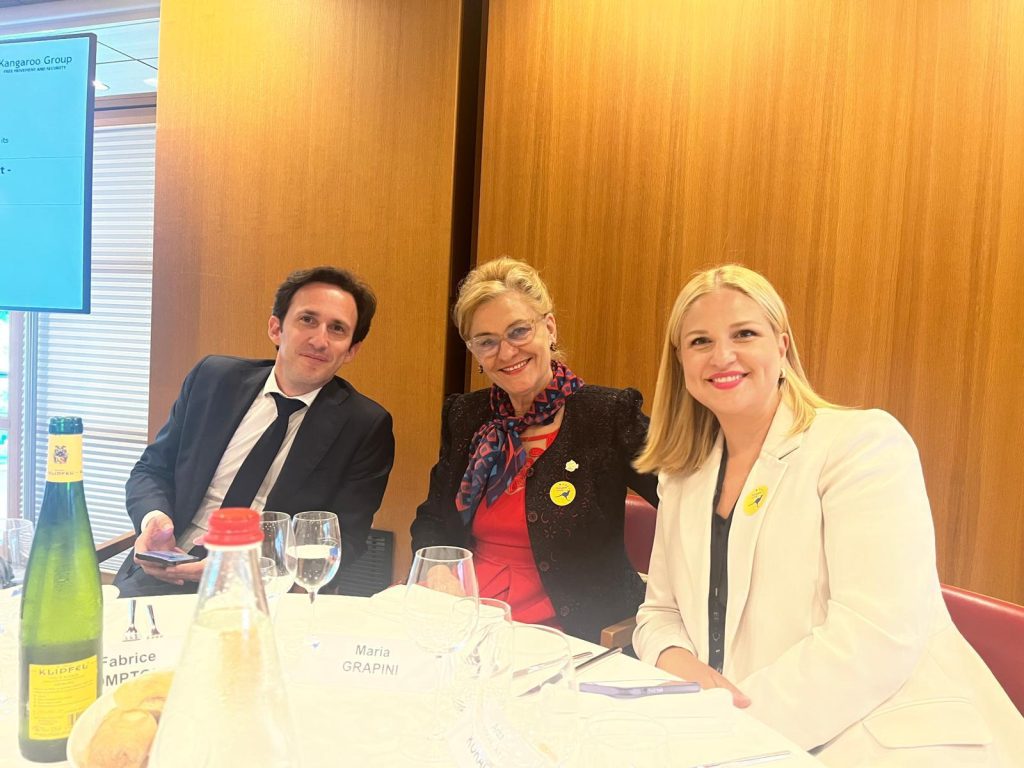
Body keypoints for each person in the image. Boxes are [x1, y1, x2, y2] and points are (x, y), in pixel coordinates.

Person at [633, 265, 1024, 765]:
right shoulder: (682, 475)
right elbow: (660, 613)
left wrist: (731, 729)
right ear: (681, 362)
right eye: (700, 341)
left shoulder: (861, 444)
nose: (722, 356)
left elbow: (876, 638)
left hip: (880, 739)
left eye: (744, 334)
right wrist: (677, 663)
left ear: (782, 346)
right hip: (741, 732)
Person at [411, 257, 658, 643]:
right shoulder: (467, 415)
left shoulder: (607, 414)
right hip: (468, 619)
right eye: (487, 341)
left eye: (519, 331)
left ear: (549, 328)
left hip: (568, 635)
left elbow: (685, 499)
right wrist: (440, 569)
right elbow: (433, 518)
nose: (507, 352)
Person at [114, 266, 395, 598]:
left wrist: (246, 566)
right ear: (276, 328)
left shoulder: (364, 425)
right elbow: (152, 469)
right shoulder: (213, 379)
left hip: (263, 589)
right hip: (164, 570)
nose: (319, 340)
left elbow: (345, 538)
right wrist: (154, 521)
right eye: (307, 320)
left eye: (337, 329)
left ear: (351, 350)